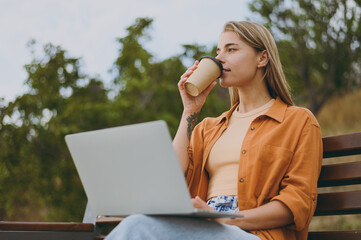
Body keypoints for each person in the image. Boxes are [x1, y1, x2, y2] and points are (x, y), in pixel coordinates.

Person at [106, 21, 323, 240]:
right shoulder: (208, 128)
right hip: (206, 227)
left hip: (256, 234)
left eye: (231, 49)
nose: (220, 59)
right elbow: (172, 179)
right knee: (137, 224)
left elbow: (298, 202)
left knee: (137, 228)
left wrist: (227, 218)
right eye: (218, 51)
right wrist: (189, 111)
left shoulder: (298, 121)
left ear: (262, 58)